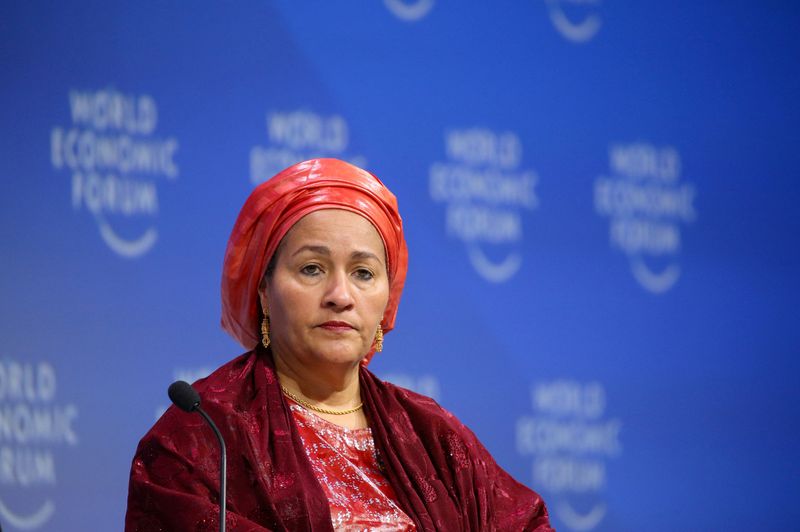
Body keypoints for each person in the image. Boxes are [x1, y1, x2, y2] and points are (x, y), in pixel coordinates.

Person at [125, 158, 553, 531]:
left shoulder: (433, 435)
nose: (340, 295)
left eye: (363, 273)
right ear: (263, 293)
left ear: (388, 298)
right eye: (312, 268)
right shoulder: (200, 437)